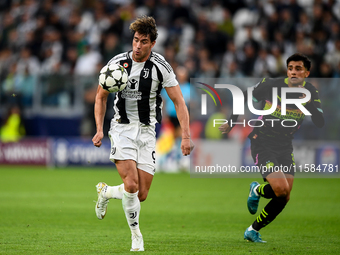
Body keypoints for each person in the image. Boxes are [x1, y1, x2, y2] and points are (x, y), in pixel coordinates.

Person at [92, 16, 193, 252]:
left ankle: (105, 191)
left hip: (147, 132)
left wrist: (186, 136)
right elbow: (100, 96)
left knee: (141, 194)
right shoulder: (116, 64)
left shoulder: (161, 67)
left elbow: (179, 102)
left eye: (143, 41)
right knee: (131, 184)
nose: (137, 46)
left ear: (153, 43)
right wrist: (99, 129)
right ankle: (136, 236)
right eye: (135, 40)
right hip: (122, 128)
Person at [219, 53, 324, 242]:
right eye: (291, 68)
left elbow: (320, 122)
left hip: (285, 146)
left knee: (284, 195)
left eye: (298, 69)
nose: (293, 72)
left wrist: (310, 105)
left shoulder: (311, 92)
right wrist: (231, 122)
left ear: (306, 73)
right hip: (263, 142)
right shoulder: (271, 85)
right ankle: (257, 190)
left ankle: (252, 229)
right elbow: (243, 96)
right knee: (281, 189)